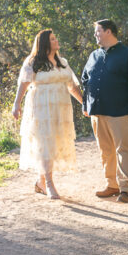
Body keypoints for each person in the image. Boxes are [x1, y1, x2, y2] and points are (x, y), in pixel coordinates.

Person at [12, 29, 84, 199]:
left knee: (53, 143)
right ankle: (50, 184)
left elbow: (72, 86)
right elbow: (23, 84)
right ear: (45, 43)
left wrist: (85, 104)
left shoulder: (63, 62)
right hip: (41, 108)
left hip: (61, 108)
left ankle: (41, 181)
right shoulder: (32, 62)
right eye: (53, 39)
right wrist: (16, 104)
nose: (56, 40)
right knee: (45, 142)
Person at [81, 19, 128, 204]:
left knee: (123, 150)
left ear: (109, 32)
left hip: (121, 112)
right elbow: (86, 80)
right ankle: (112, 185)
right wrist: (86, 105)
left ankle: (126, 189)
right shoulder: (93, 55)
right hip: (97, 111)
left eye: (98, 31)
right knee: (105, 151)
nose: (95, 35)